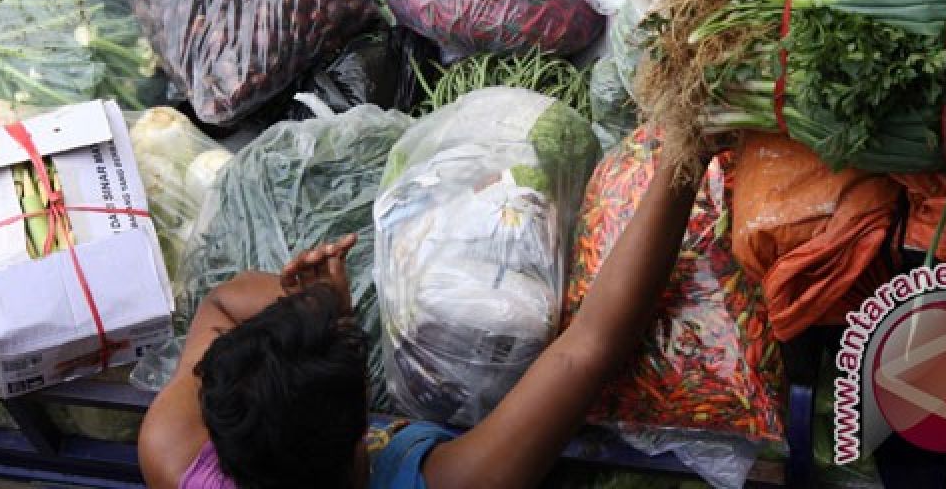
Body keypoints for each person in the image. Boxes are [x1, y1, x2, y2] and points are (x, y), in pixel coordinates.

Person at [139, 150, 709, 489]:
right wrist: (688, 147)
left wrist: (314, 315)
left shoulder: (171, 454)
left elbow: (218, 306)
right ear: (366, 413)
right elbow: (589, 344)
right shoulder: (459, 480)